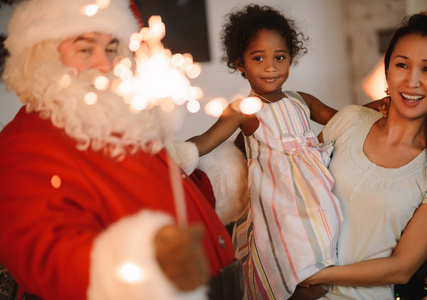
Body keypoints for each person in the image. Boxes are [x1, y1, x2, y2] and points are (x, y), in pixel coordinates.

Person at [0, 0, 247, 299]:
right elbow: (48, 258)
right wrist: (148, 264)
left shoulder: (119, 121)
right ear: (44, 56)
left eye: (111, 48)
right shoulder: (25, 143)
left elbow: (148, 193)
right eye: (86, 49)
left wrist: (223, 181)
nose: (106, 65)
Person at [188, 5, 380, 299]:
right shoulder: (245, 110)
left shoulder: (301, 100)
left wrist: (378, 108)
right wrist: (178, 153)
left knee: (324, 257)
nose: (270, 67)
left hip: (318, 197)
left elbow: (345, 118)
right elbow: (207, 141)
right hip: (279, 204)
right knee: (289, 265)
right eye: (258, 58)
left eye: (280, 57)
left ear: (291, 59)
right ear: (240, 63)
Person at [299, 13, 427, 299]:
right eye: (402, 65)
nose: (412, 80)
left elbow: (401, 267)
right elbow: (296, 189)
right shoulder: (349, 120)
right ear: (388, 71)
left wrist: (316, 275)